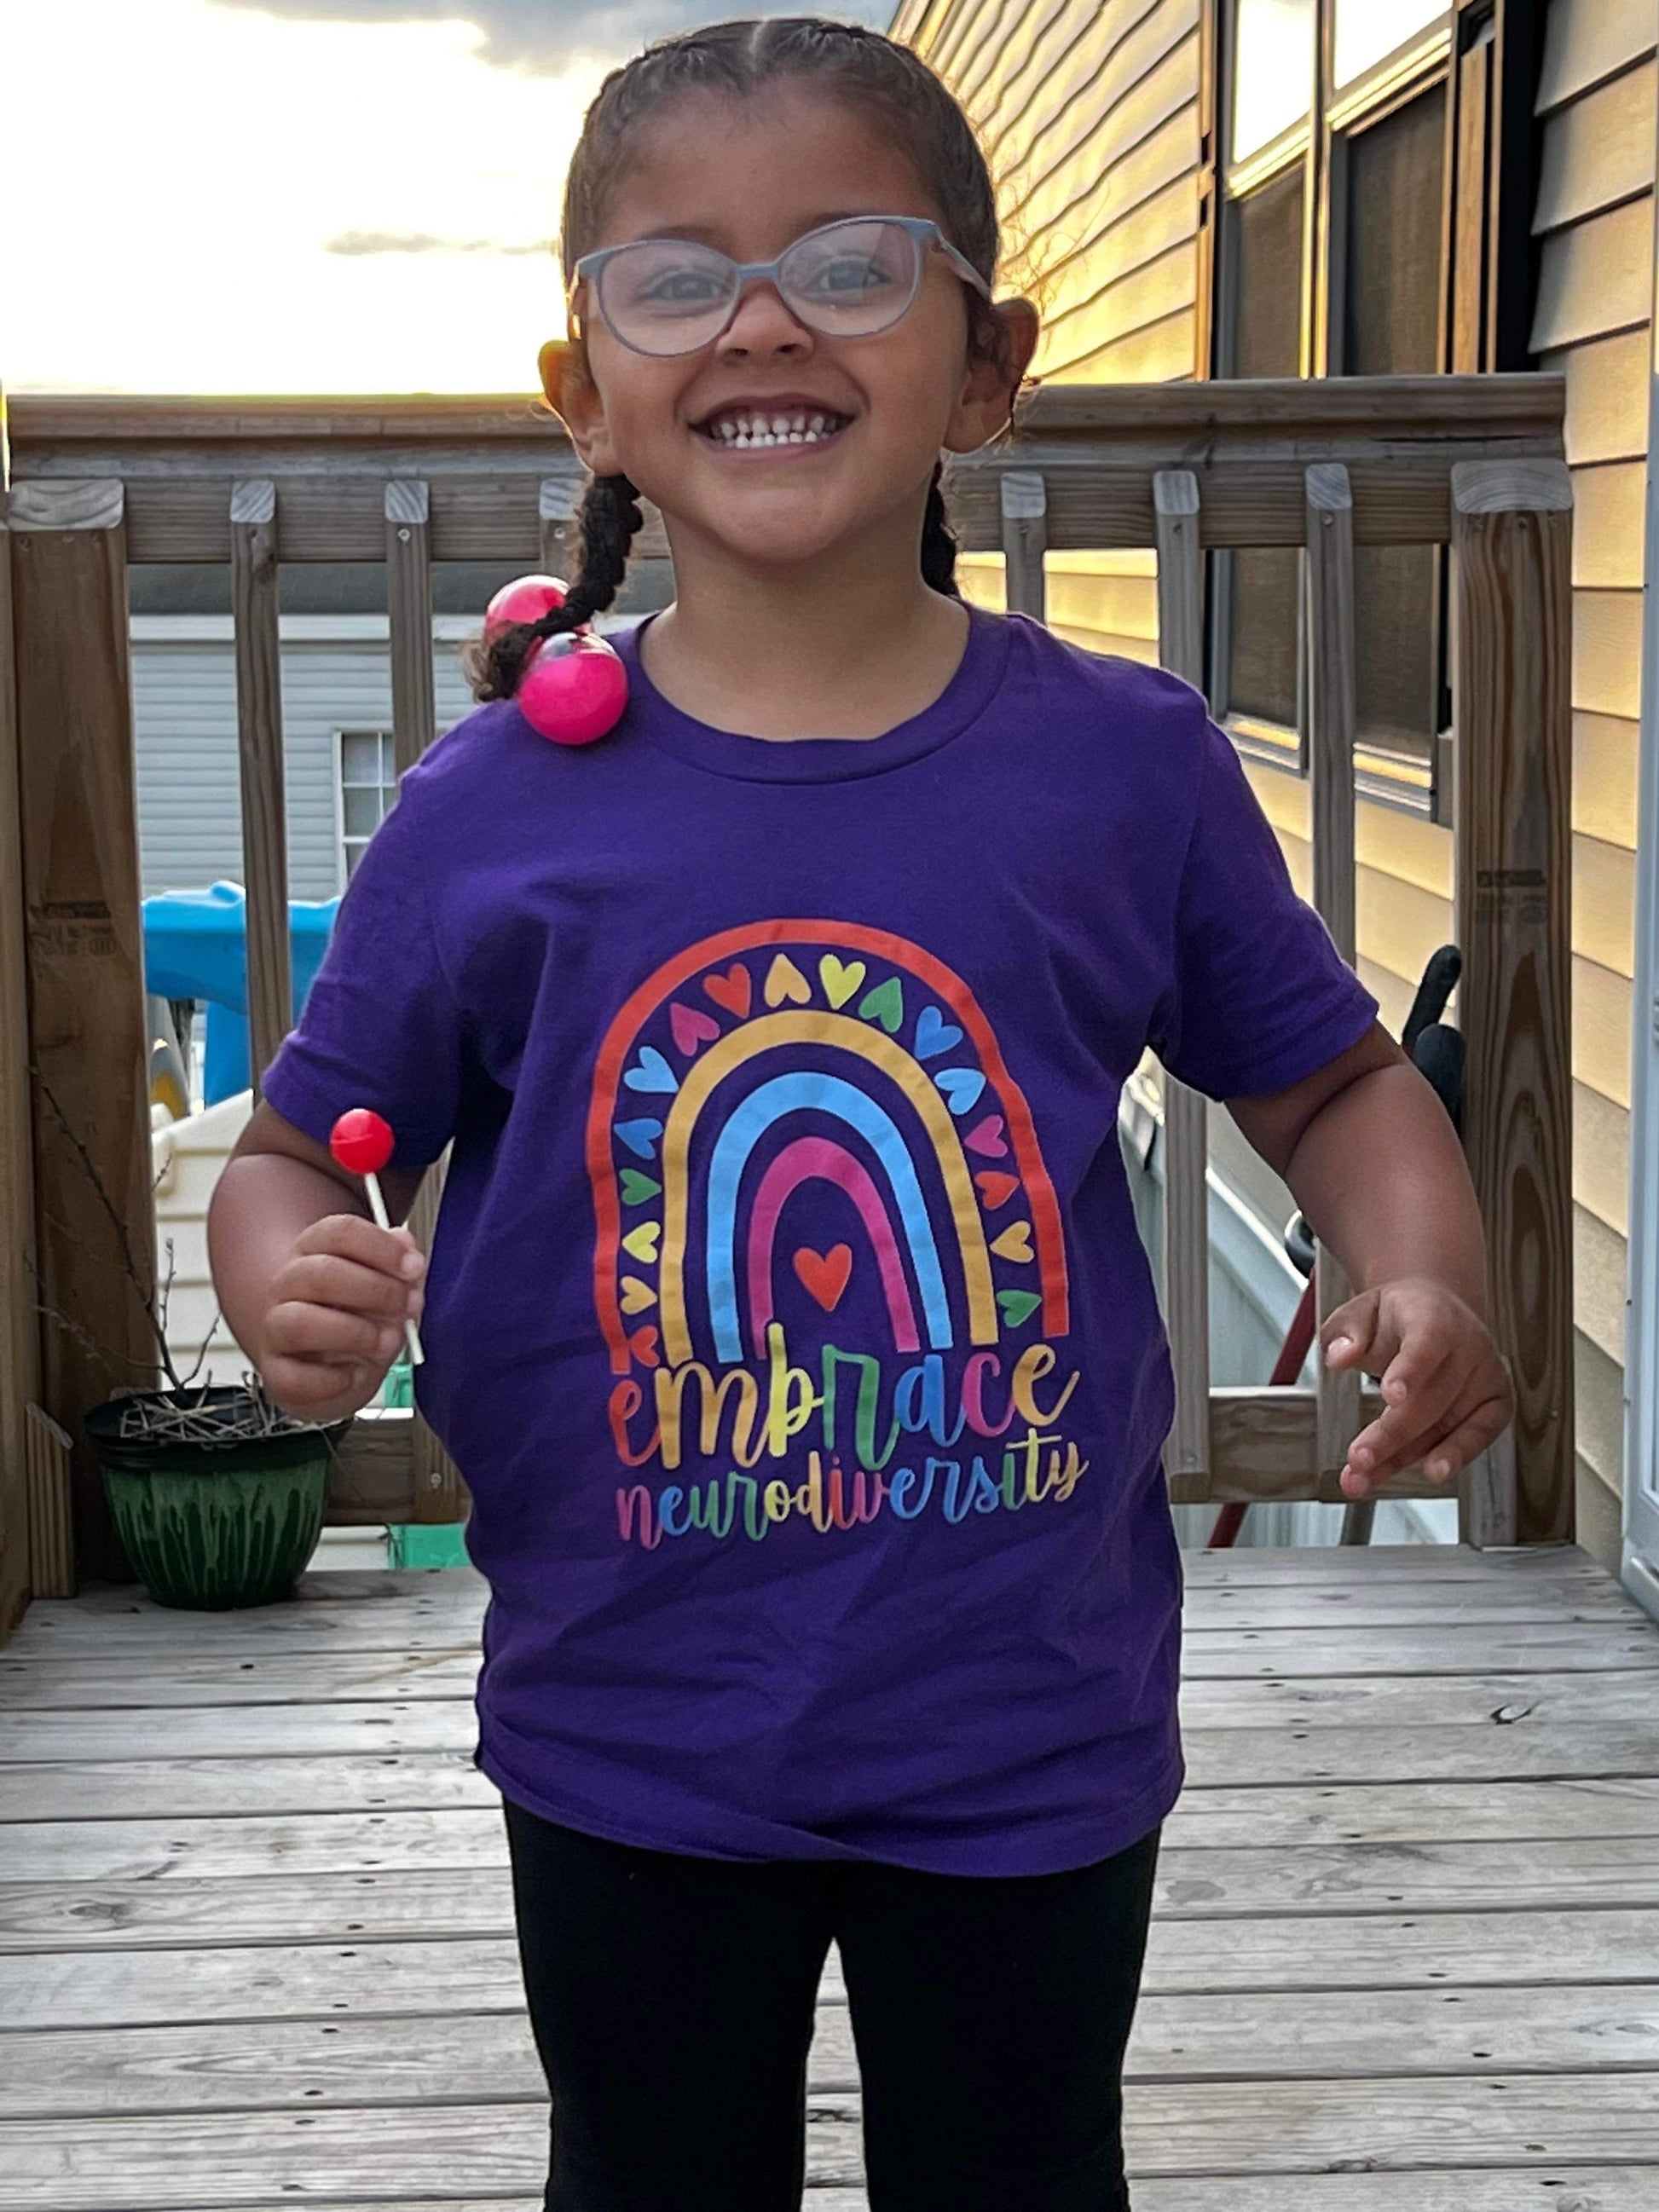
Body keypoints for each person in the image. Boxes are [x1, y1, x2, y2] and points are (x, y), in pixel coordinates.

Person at [207, 18, 1514, 2210]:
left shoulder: (1123, 765)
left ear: (985, 369)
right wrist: (288, 1290)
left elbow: (1337, 1078)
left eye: (846, 263)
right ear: (587, 389)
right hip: (627, 1723)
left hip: (1028, 1721)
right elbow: (282, 1155)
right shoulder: (488, 807)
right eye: (675, 281)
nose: (759, 325)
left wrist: (1427, 1262)